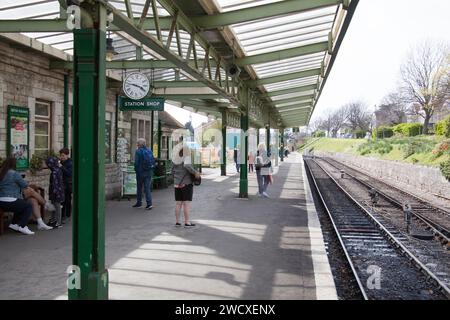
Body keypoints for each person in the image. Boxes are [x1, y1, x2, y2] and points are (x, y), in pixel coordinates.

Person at [0, 157, 34, 235]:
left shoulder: (1, 172)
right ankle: (22, 226)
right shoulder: (14, 173)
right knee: (28, 205)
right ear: (13, 164)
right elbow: (24, 185)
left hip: (1, 201)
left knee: (20, 204)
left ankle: (14, 224)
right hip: (10, 200)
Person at [172, 145, 200, 228]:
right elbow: (187, 166)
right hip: (186, 183)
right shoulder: (186, 157)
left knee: (178, 203)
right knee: (186, 203)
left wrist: (176, 177)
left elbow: (172, 171)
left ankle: (177, 222)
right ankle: (187, 222)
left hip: (177, 183)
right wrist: (195, 172)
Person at [133, 138, 155, 210]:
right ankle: (149, 204)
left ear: (139, 144)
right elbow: (153, 160)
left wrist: (136, 170)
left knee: (139, 188)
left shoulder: (138, 151)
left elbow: (136, 163)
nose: (137, 144)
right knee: (147, 188)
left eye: (137, 143)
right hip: (148, 172)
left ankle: (139, 203)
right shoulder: (149, 150)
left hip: (140, 172)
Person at [46, 156, 65, 228]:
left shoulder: (54, 172)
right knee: (55, 206)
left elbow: (55, 183)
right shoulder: (58, 170)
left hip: (56, 192)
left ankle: (58, 222)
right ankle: (53, 220)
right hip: (59, 191)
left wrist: (54, 193)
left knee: (57, 206)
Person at [59, 148, 72, 223]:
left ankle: (67, 215)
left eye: (63, 155)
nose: (61, 157)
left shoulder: (70, 163)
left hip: (68, 184)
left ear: (67, 155)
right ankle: (62, 215)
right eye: (61, 155)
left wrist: (61, 167)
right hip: (62, 183)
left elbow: (69, 174)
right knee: (62, 200)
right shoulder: (62, 162)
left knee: (67, 200)